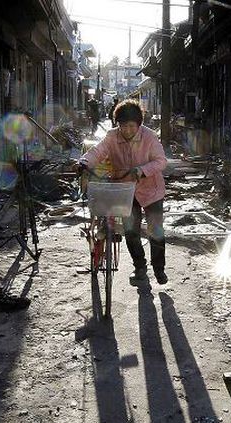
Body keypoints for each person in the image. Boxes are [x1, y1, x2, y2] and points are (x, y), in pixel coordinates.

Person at [77, 100, 168, 285]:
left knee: (155, 231)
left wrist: (142, 170)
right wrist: (84, 162)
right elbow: (97, 152)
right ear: (117, 124)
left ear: (139, 124)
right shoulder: (112, 136)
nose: (127, 130)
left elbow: (161, 161)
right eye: (123, 126)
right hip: (125, 190)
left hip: (151, 190)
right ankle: (140, 267)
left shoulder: (149, 137)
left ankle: (159, 269)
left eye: (131, 126)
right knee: (131, 231)